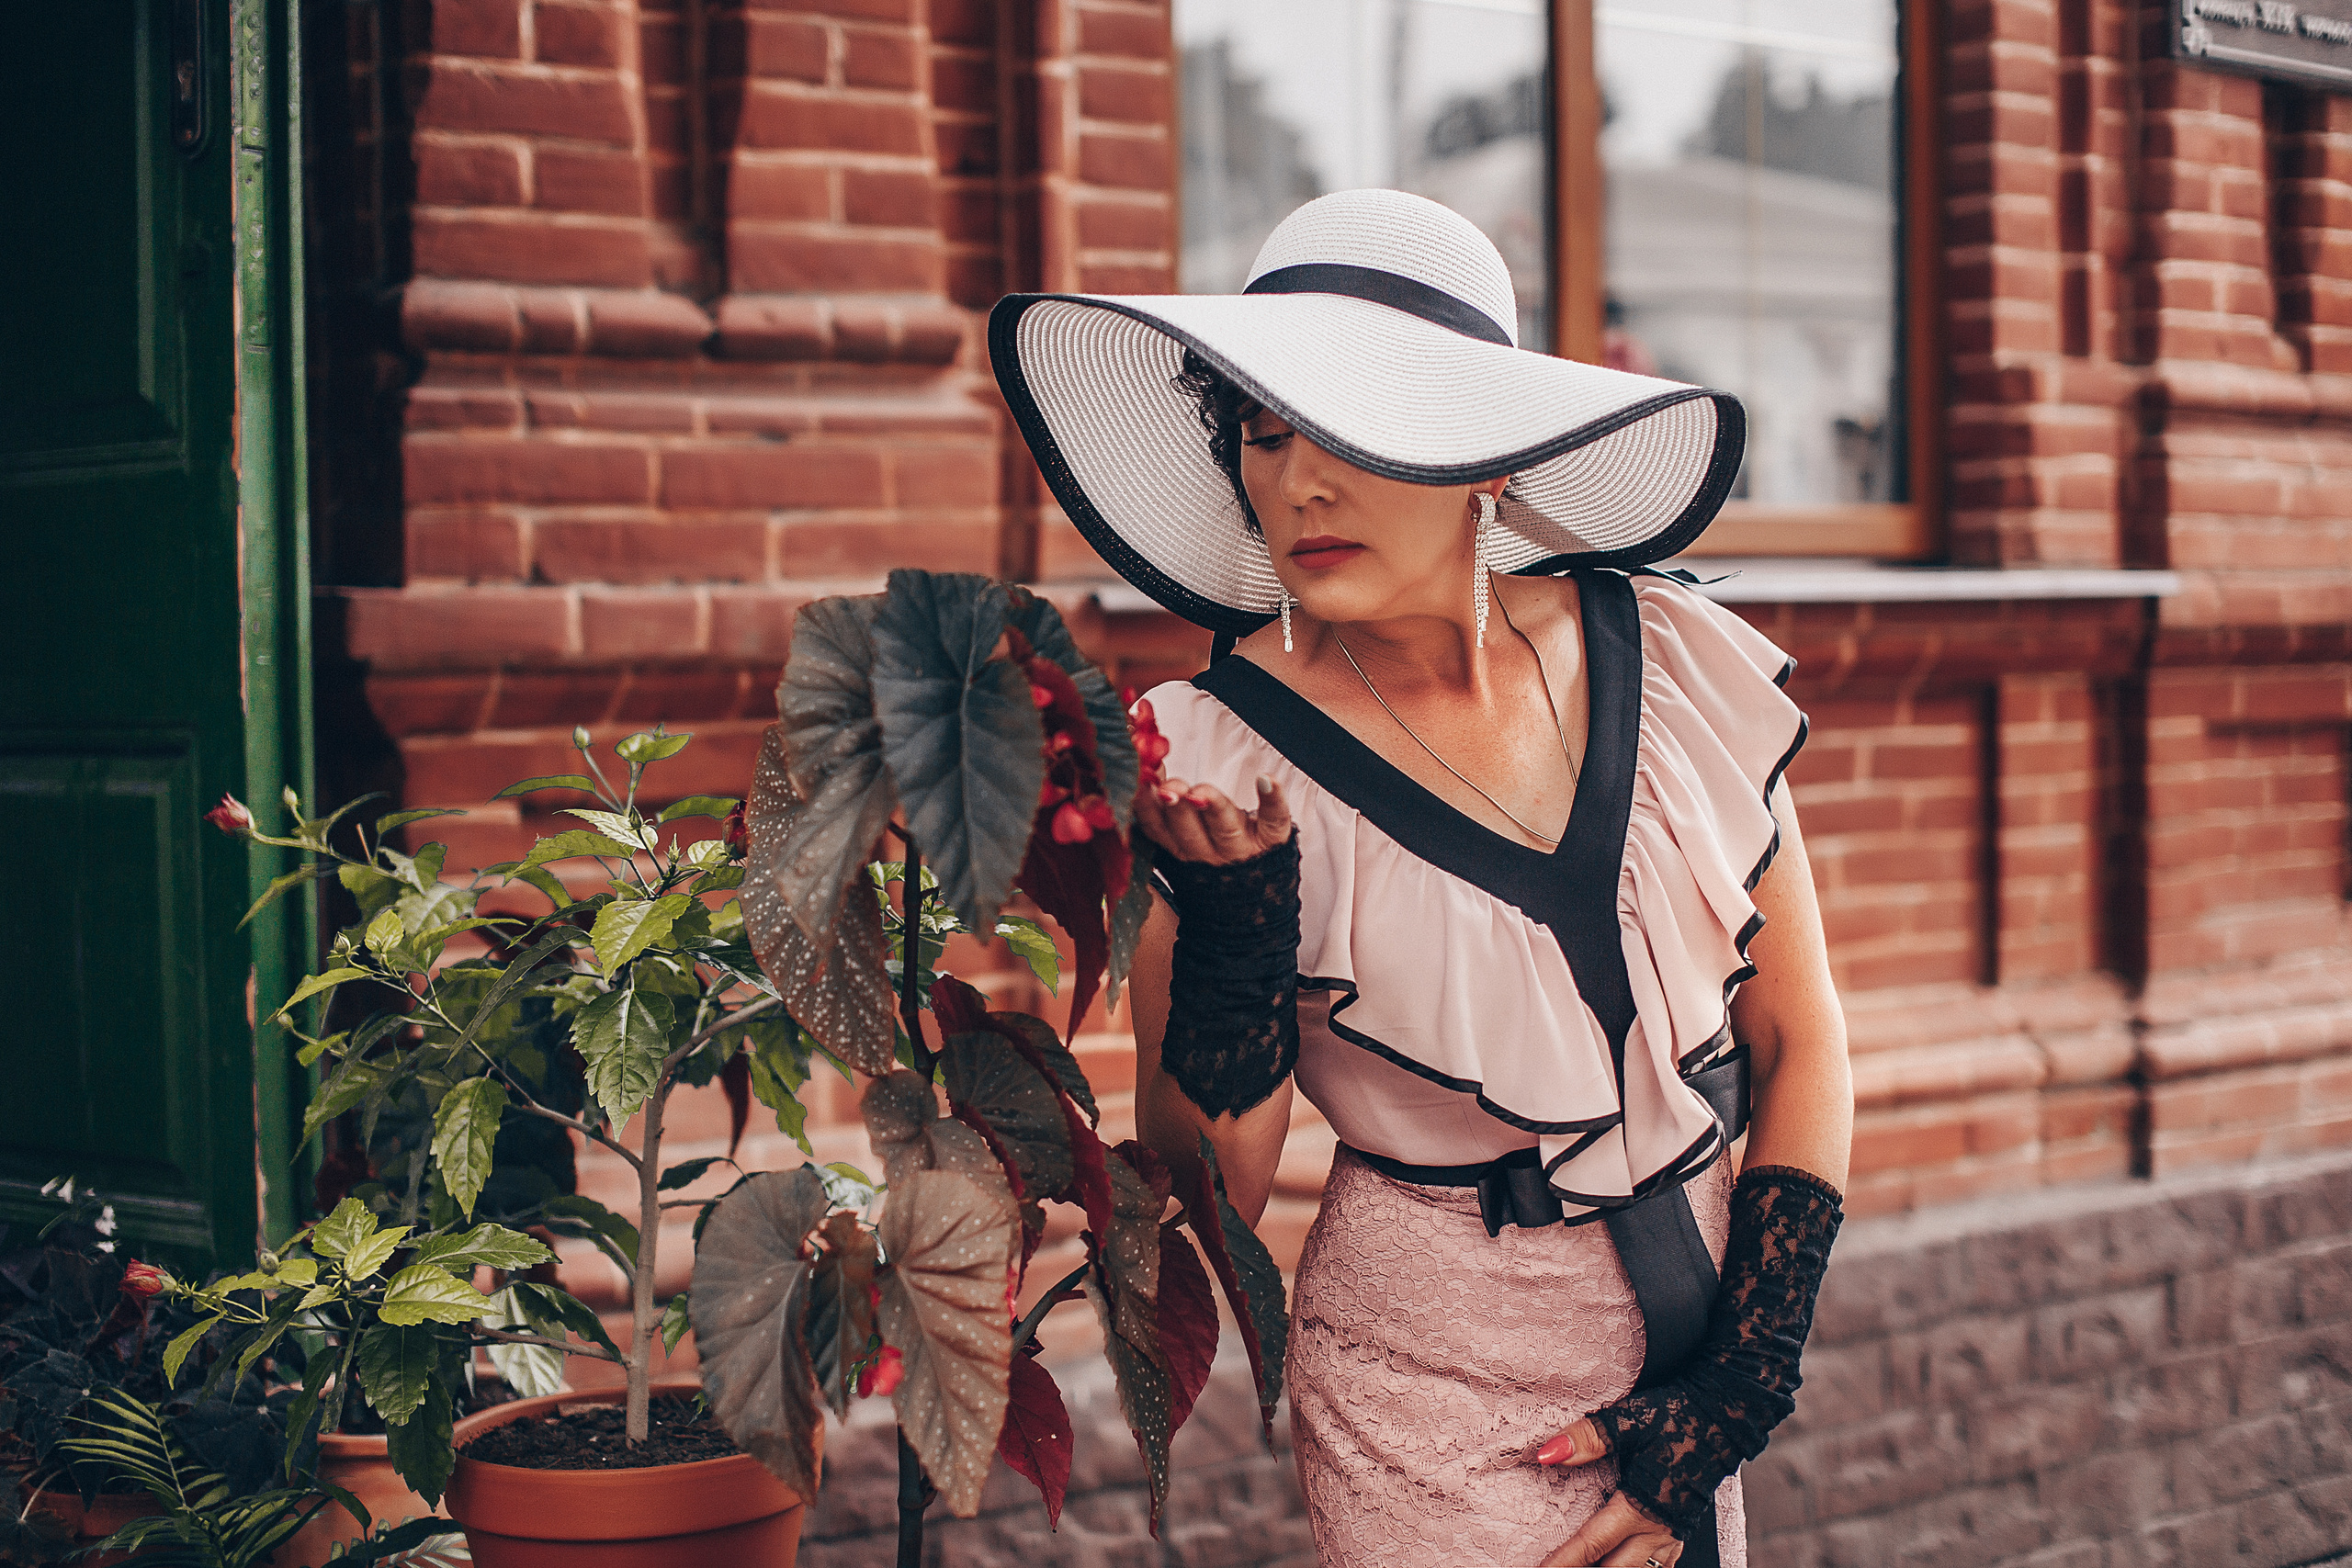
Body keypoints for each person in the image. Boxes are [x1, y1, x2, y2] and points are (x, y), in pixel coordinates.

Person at [989, 188, 1853, 1568]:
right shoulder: (1211, 756)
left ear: (1486, 458)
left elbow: (1800, 1040)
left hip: (1699, 1371)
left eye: (1349, 429)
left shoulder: (1671, 659)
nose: (1296, 484)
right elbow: (1218, 1186)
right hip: (1424, 1404)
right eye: (1260, 436)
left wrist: (1736, 1393)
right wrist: (1234, 936)